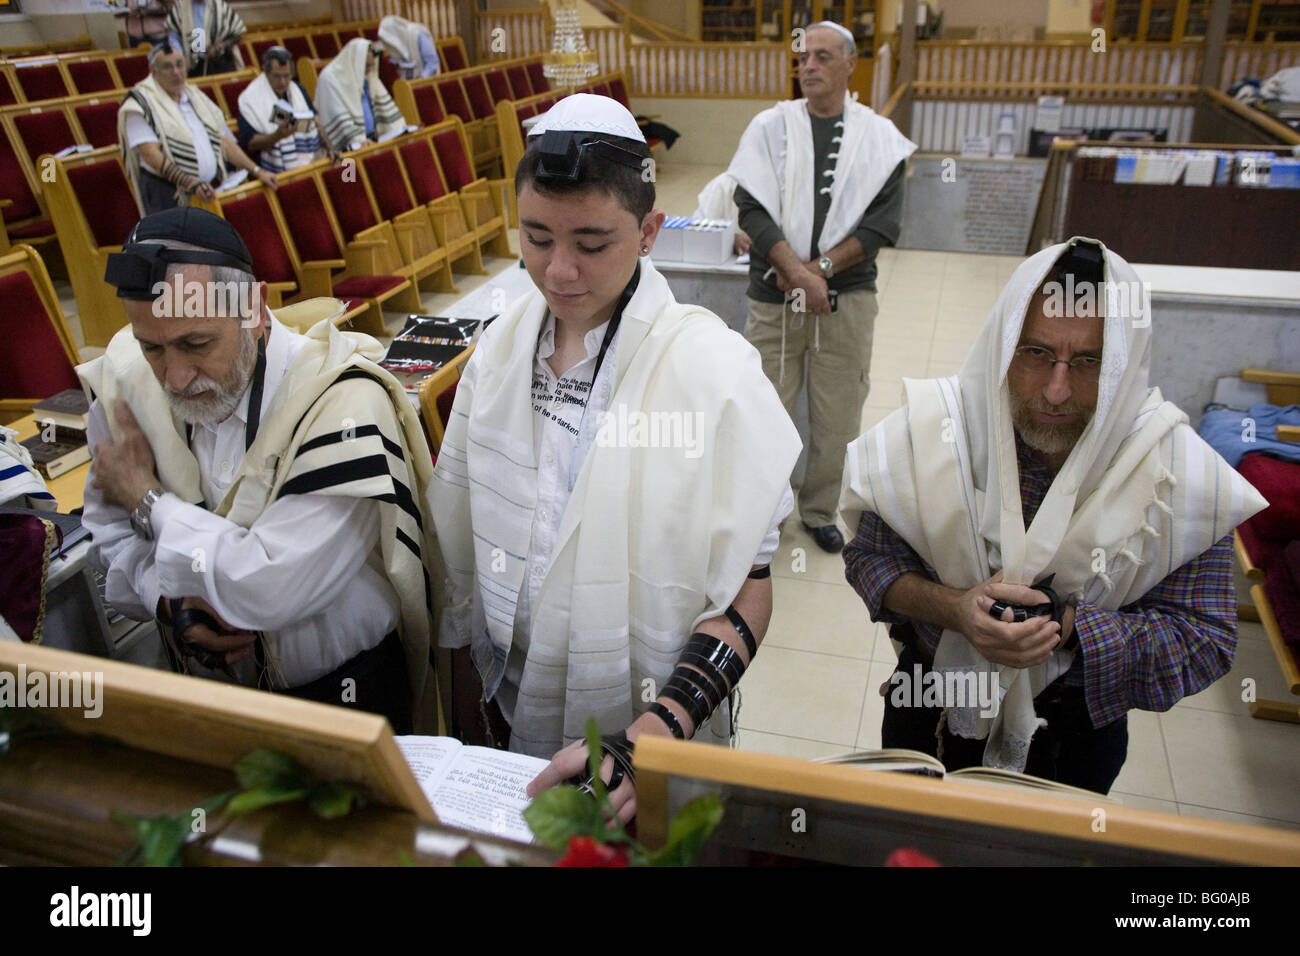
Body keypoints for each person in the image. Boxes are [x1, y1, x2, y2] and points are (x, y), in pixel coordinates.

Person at [428, 95, 799, 822]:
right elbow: (459, 555)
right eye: (535, 238)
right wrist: (464, 707)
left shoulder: (712, 372)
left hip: (651, 736)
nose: (559, 271)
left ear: (650, 230)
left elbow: (748, 589)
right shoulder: (499, 352)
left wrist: (660, 727)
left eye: (592, 244)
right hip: (505, 709)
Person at [841, 237, 1266, 794]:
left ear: (1122, 364)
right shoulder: (936, 434)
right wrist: (954, 609)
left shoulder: (1172, 472)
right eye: (1036, 353)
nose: (1057, 388)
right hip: (929, 709)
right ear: (1003, 346)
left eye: (1088, 361)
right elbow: (869, 557)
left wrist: (1070, 629)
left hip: (1073, 737)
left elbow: (1203, 639)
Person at [79, 207, 439, 733]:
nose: (175, 378)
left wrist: (147, 498)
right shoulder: (128, 382)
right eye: (152, 347)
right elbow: (108, 528)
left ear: (254, 307)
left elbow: (266, 587)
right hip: (207, 689)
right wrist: (166, 597)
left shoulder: (344, 403)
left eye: (196, 344)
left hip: (343, 697)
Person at [729, 20, 915, 555]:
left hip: (847, 299)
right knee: (765, 408)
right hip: (773, 295)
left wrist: (822, 272)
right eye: (804, 57)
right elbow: (752, 209)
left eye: (823, 57)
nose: (808, 65)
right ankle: (765, 511)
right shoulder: (769, 127)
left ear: (850, 64)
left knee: (837, 411)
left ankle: (817, 509)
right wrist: (797, 273)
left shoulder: (878, 139)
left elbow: (882, 226)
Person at [118, 42, 275, 215]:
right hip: (168, 195)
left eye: (179, 64)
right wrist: (191, 183)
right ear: (154, 71)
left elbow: (223, 140)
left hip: (206, 190)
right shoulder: (140, 103)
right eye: (167, 67)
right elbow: (150, 155)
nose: (176, 72)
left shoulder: (195, 96)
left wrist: (257, 171)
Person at [237, 46, 338, 173]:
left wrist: (330, 147)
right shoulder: (250, 99)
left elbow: (316, 121)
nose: (283, 82)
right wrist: (277, 136)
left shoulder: (298, 90)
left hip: (311, 161)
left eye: (287, 76)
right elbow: (250, 143)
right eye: (277, 76)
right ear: (266, 72)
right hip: (274, 172)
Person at [314, 37, 408, 154]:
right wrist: (359, 141)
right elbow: (341, 124)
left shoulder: (366, 75)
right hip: (348, 152)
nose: (370, 71)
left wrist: (401, 129)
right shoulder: (329, 79)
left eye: (372, 65)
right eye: (367, 66)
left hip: (372, 141)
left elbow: (386, 112)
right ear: (355, 62)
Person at [166, 0, 244, 75]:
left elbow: (238, 33)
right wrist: (181, 56)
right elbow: (173, 35)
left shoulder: (219, 5)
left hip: (219, 63)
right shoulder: (180, 6)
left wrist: (222, 45)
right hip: (191, 66)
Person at [378, 15, 441, 80]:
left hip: (426, 81)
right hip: (406, 81)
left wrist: (421, 79)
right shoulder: (397, 40)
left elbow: (432, 62)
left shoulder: (418, 35)